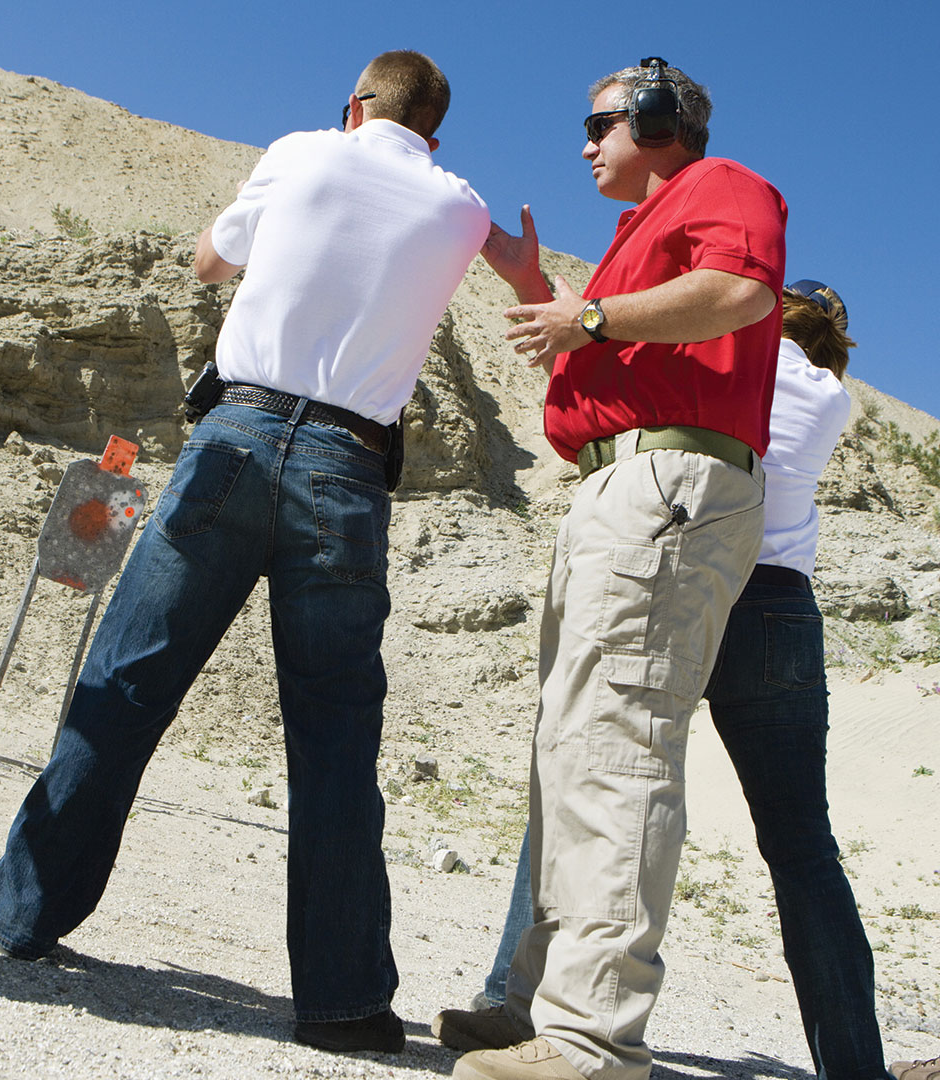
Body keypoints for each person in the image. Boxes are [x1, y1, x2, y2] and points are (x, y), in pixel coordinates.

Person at [0, 49, 490, 1054]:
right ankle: (343, 1004)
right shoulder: (459, 204)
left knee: (126, 683)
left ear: (353, 105)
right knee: (336, 741)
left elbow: (212, 259)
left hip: (236, 440)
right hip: (349, 467)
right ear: (433, 130)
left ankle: (24, 913)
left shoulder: (300, 152)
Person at [435, 59, 787, 1080]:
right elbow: (587, 370)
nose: (585, 145)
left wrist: (586, 314)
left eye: (599, 124)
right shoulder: (643, 234)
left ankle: (590, 1041)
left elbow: (739, 292)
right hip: (622, 487)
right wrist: (538, 291)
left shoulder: (720, 188)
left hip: (665, 484)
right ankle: (541, 1007)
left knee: (618, 741)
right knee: (574, 749)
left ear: (661, 118)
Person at [453, 280, 895, 1080]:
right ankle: (857, 1065)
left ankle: (515, 1006)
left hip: (690, 571)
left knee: (585, 783)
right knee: (802, 845)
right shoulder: (832, 396)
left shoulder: (726, 356)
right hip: (778, 602)